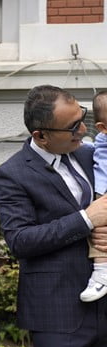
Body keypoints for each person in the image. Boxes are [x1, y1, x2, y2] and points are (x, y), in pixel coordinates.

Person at [0, 84, 107, 347]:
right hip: (58, 316)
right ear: (41, 135)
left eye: (82, 118)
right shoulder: (11, 174)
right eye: (73, 126)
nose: (83, 130)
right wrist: (86, 219)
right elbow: (21, 240)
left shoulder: (91, 155)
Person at [81, 90, 107, 302]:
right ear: (103, 128)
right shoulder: (99, 142)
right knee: (99, 231)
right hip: (103, 192)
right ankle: (101, 273)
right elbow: (92, 147)